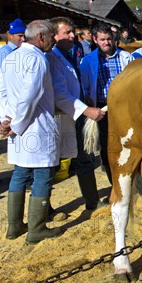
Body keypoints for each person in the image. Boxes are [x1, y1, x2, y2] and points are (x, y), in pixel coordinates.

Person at [0, 20, 63, 244]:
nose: (53, 40)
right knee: (42, 175)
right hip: (35, 127)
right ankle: (37, 228)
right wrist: (15, 124)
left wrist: (5, 119)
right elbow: (29, 96)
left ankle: (14, 227)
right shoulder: (37, 59)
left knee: (20, 174)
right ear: (41, 37)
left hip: (16, 127)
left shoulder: (11, 57)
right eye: (51, 36)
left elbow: (0, 90)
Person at [48, 17, 107, 213]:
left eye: (73, 31)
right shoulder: (53, 59)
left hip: (77, 117)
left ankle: (92, 201)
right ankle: (45, 209)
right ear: (55, 36)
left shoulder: (70, 55)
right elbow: (61, 94)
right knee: (50, 165)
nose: (73, 35)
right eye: (67, 32)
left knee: (86, 158)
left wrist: (85, 100)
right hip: (63, 119)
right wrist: (86, 109)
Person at [79, 24, 132, 183]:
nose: (106, 42)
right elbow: (85, 85)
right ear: (95, 40)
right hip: (102, 109)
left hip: (123, 108)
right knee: (107, 146)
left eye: (109, 39)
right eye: (102, 39)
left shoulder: (125, 57)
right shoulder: (88, 61)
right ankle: (113, 180)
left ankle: (131, 178)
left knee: (127, 142)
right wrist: (88, 98)